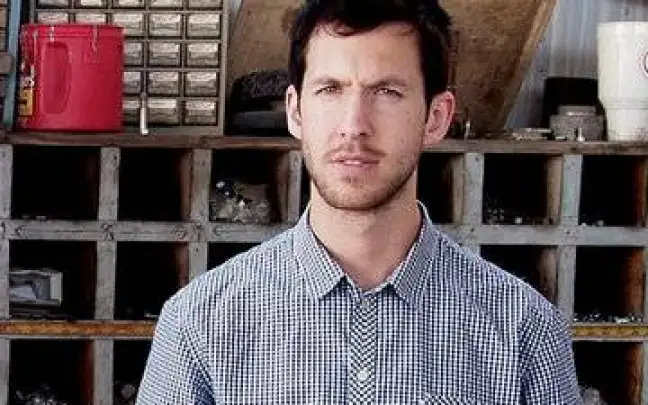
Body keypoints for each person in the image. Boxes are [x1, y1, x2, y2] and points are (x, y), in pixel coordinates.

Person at [136, 0, 582, 403]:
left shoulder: (525, 332)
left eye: (387, 92)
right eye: (330, 89)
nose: (354, 125)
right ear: (295, 111)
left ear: (436, 117)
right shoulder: (199, 325)